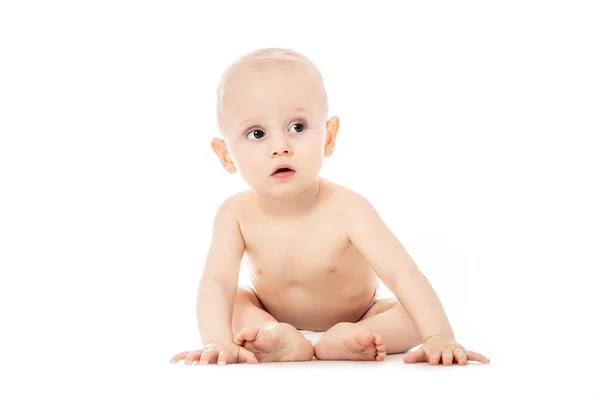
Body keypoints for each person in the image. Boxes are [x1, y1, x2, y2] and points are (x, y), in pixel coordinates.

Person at [170, 47, 490, 366]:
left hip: (362, 315)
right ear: (226, 155)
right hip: (270, 313)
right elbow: (217, 281)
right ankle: (274, 336)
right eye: (257, 134)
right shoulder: (234, 214)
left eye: (298, 127)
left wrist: (438, 336)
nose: (280, 147)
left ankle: (344, 339)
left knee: (410, 314)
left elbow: (402, 273)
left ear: (328, 136)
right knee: (235, 301)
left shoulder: (349, 208)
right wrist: (216, 340)